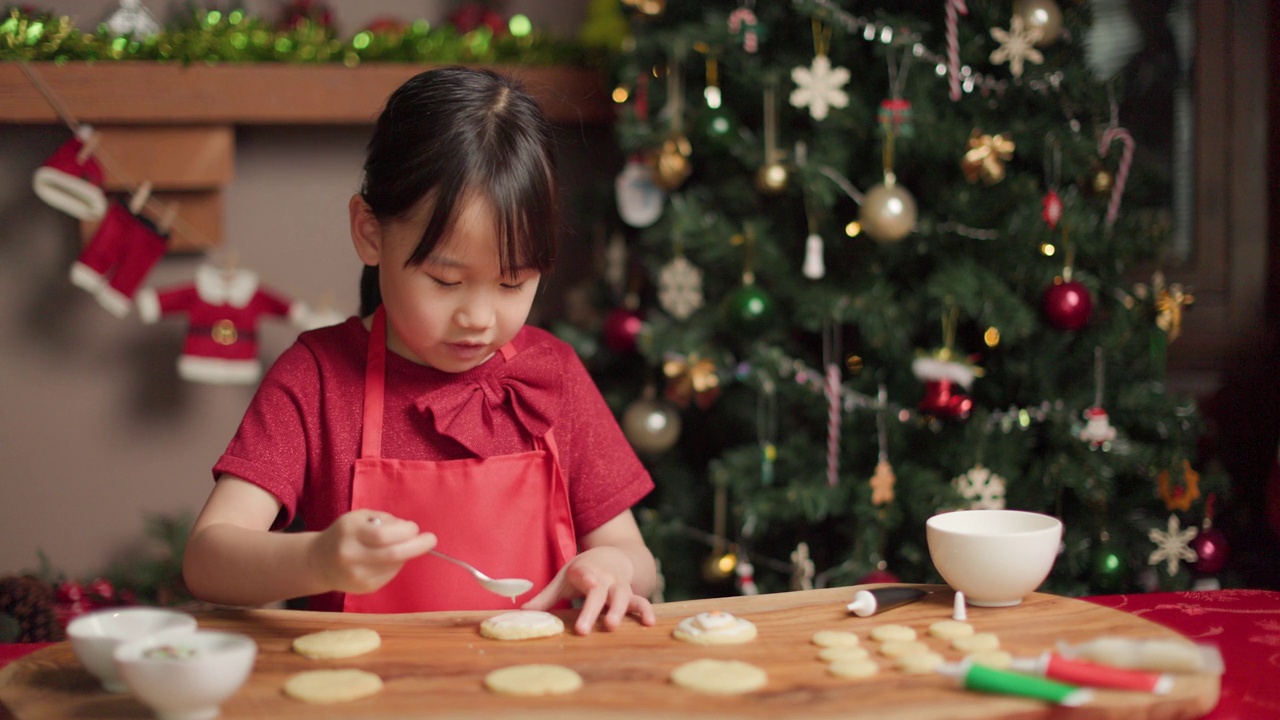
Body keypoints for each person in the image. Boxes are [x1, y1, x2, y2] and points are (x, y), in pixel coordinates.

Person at [183, 67, 658, 634]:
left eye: (512, 284)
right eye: (445, 281)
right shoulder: (315, 378)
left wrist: (613, 565)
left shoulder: (551, 372)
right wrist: (315, 560)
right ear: (370, 233)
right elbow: (207, 561)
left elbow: (636, 557)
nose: (478, 319)